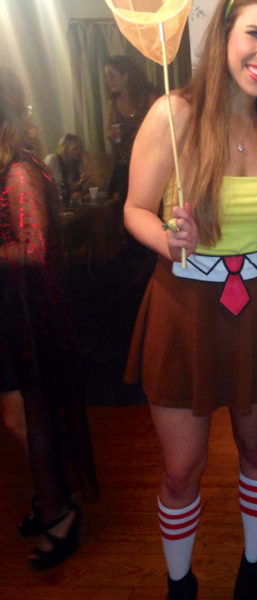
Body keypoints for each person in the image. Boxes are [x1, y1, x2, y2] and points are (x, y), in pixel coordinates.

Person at [122, 1, 257, 598]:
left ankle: (252, 571)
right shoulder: (173, 113)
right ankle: (181, 584)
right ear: (224, 32)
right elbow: (134, 209)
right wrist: (168, 240)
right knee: (181, 469)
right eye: (254, 33)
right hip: (184, 307)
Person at [0, 67, 98, 570]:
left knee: (27, 419)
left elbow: (34, 249)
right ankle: (49, 498)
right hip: (11, 309)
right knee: (21, 417)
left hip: (22, 316)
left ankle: (60, 513)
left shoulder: (18, 170)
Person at [104, 55, 158, 203]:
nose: (108, 80)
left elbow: (160, 129)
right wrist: (111, 134)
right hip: (125, 163)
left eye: (112, 75)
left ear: (126, 76)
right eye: (106, 76)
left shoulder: (147, 97)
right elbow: (109, 129)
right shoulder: (113, 103)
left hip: (149, 162)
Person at [43, 133, 88, 202]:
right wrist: (80, 182)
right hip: (53, 198)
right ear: (65, 148)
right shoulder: (53, 160)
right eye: (75, 148)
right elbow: (58, 188)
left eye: (80, 148)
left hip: (69, 197)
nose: (79, 151)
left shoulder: (77, 161)